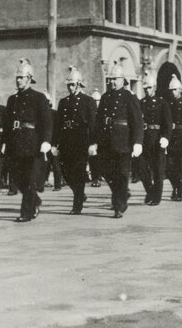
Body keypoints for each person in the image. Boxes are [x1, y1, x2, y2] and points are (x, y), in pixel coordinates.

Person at [3, 58, 52, 222]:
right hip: (15, 143)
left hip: (32, 143)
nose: (18, 80)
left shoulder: (39, 98)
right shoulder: (12, 99)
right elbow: (7, 123)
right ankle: (35, 200)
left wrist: (46, 140)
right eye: (17, 77)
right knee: (18, 178)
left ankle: (26, 213)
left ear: (29, 78)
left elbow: (46, 122)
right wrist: (5, 142)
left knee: (30, 179)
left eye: (21, 77)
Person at [93, 62, 142, 218]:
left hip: (123, 142)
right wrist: (95, 141)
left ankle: (119, 206)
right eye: (110, 79)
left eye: (115, 79)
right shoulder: (105, 97)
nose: (112, 82)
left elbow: (137, 121)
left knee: (121, 174)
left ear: (122, 80)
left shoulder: (129, 97)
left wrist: (137, 142)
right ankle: (122, 193)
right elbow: (98, 121)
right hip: (106, 142)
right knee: (107, 172)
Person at [54, 66, 97, 215]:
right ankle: (80, 193)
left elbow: (92, 124)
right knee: (65, 171)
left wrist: (92, 142)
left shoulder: (88, 101)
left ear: (79, 84)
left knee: (78, 172)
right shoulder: (63, 102)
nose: (70, 87)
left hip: (80, 140)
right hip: (66, 141)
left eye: (73, 84)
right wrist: (55, 144)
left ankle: (77, 204)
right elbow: (58, 125)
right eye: (69, 85)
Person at [137, 72, 172, 206]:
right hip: (144, 139)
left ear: (155, 87)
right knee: (142, 168)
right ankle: (150, 191)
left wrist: (165, 137)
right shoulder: (141, 103)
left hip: (157, 139)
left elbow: (167, 123)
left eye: (149, 88)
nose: (147, 90)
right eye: (145, 88)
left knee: (158, 170)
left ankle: (157, 197)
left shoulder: (162, 103)